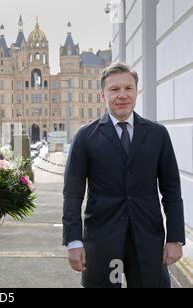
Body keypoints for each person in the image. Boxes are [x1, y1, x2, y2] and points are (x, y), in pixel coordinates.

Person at [63, 62, 185, 288]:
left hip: (148, 240)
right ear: (102, 95)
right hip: (102, 242)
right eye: (114, 89)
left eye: (128, 88)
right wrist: (73, 241)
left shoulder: (158, 134)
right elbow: (72, 194)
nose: (122, 95)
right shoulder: (85, 137)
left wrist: (175, 238)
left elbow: (171, 190)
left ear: (136, 92)